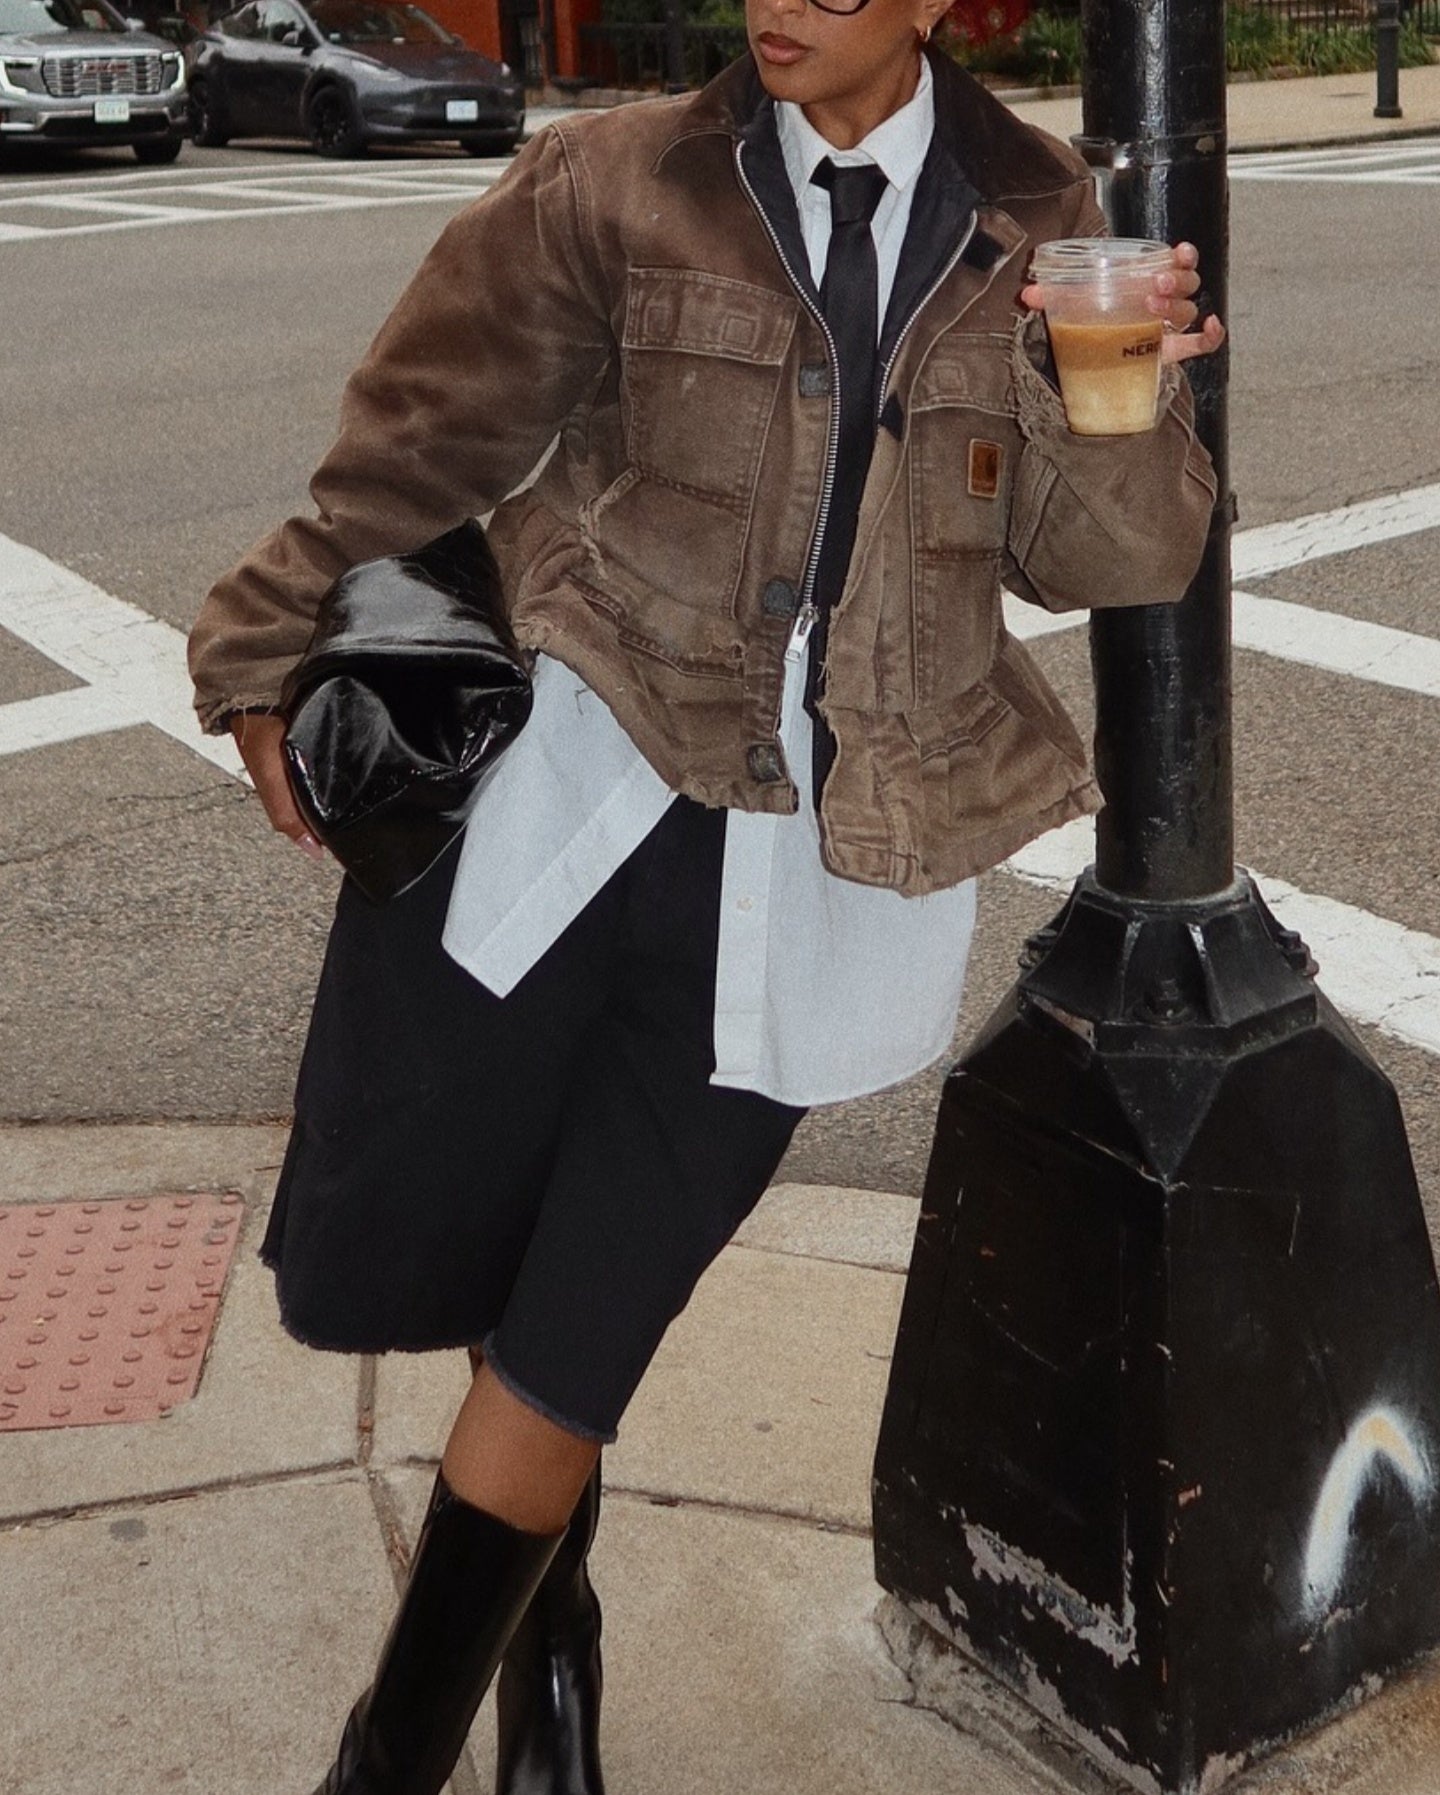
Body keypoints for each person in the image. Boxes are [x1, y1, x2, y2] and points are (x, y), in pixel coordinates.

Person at [188, 0, 1223, 1784]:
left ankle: (385, 1760)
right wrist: (259, 644)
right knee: (488, 1263)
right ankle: (553, 1645)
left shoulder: (1044, 221)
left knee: (577, 1335)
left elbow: (1113, 562)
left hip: (814, 886)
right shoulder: (614, 179)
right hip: (557, 819)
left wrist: (1104, 400)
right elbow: (423, 438)